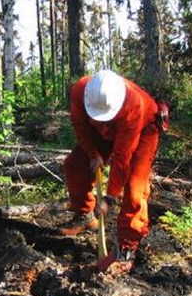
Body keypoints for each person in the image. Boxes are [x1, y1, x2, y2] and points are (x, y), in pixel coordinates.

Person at [59, 69, 166, 274]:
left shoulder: (134, 104)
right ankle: (85, 215)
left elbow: (122, 157)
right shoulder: (80, 91)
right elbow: (80, 126)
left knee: (135, 187)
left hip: (143, 129)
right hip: (104, 130)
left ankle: (127, 247)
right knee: (75, 165)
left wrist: (109, 197)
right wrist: (93, 154)